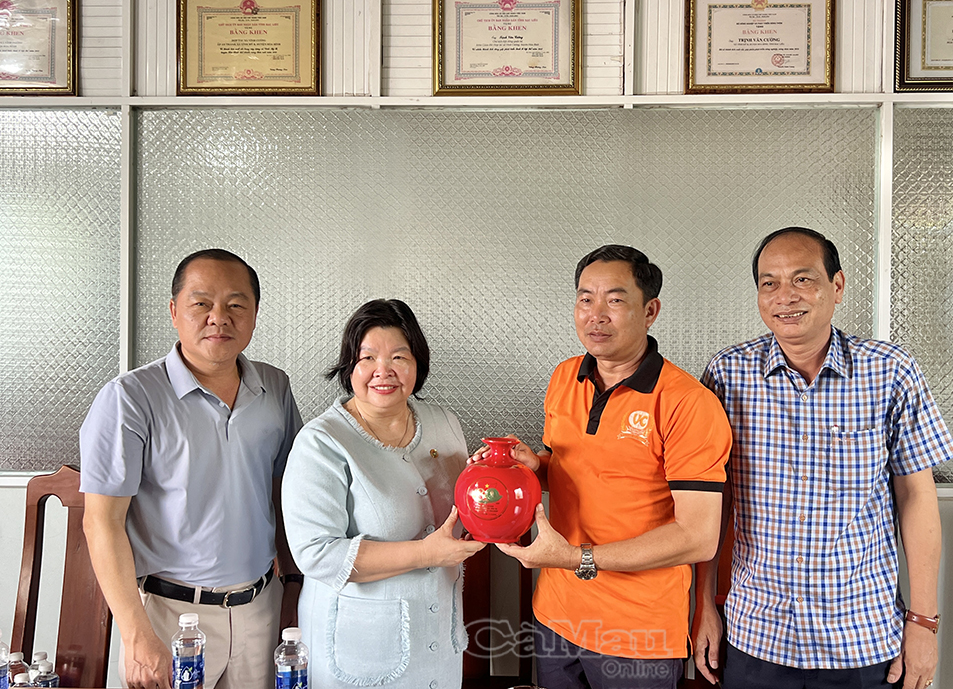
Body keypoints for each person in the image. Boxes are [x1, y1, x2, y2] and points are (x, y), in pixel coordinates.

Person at [694, 227, 953, 689]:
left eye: (803, 279)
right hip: (756, 634)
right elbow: (713, 503)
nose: (785, 296)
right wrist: (702, 605)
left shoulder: (889, 371)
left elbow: (917, 498)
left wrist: (923, 622)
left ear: (837, 286)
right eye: (769, 283)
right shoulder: (727, 374)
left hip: (862, 637)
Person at [489, 245, 732, 689]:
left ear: (650, 311)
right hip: (556, 615)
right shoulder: (565, 377)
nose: (596, 314)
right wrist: (533, 466)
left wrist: (575, 558)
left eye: (615, 300)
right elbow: (576, 471)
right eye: (585, 299)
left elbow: (697, 536)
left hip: (638, 631)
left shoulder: (687, 403)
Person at [80, 249, 303, 689]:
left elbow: (285, 489)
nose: (219, 318)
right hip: (171, 618)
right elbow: (101, 522)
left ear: (255, 314)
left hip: (262, 607)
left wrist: (294, 584)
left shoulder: (275, 386)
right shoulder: (130, 398)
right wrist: (136, 634)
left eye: (236, 304)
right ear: (174, 311)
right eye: (201, 303)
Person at [281, 299, 485, 689]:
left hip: (437, 642)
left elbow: (464, 508)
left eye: (398, 357)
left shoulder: (444, 423)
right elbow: (316, 554)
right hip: (358, 654)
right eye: (368, 357)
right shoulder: (321, 442)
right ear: (349, 366)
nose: (383, 370)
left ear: (417, 363)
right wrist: (426, 553)